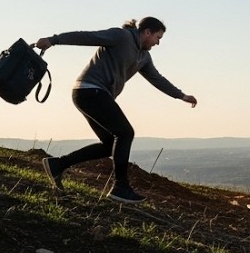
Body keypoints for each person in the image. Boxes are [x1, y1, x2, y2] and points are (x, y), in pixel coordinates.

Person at [34, 17, 197, 204]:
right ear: (147, 32)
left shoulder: (143, 57)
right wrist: (53, 40)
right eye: (157, 38)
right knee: (126, 133)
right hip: (89, 91)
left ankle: (58, 164)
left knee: (110, 143)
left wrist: (181, 96)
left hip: (95, 95)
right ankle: (121, 187)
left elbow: (157, 79)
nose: (158, 43)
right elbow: (87, 37)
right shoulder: (121, 37)